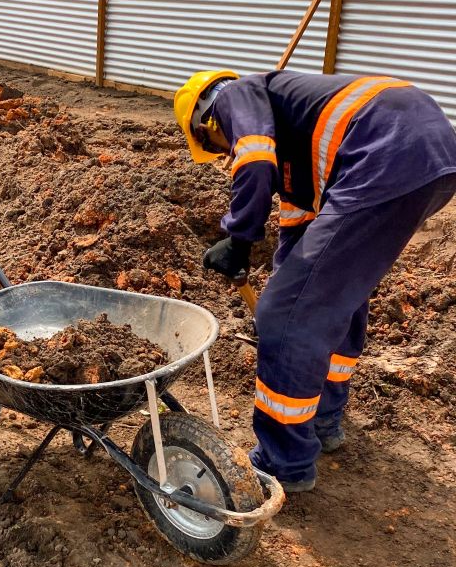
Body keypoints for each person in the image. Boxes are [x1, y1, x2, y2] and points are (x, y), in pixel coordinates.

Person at [174, 68, 456, 493]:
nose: (221, 154)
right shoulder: (298, 132)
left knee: (285, 317)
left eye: (214, 147)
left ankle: (282, 462)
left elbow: (252, 163)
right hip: (431, 158)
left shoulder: (239, 95)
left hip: (384, 155)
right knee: (333, 294)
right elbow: (301, 230)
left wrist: (238, 239)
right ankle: (324, 418)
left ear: (206, 121)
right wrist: (283, 273)